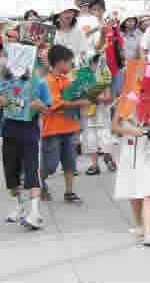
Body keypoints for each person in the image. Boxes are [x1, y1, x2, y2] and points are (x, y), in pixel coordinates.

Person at [1, 70, 51, 229]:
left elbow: (48, 110)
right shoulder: (5, 80)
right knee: (10, 172)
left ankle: (35, 213)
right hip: (9, 132)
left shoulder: (39, 82)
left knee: (32, 171)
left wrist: (40, 106)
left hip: (30, 133)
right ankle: (19, 207)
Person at [40, 45, 91, 203]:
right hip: (52, 130)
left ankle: (69, 192)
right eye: (69, 62)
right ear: (60, 62)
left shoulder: (67, 80)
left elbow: (73, 98)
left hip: (70, 127)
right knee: (50, 165)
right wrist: (80, 102)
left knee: (70, 162)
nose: (71, 65)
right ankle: (40, 182)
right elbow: (56, 104)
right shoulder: (47, 81)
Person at [112, 86, 150, 247]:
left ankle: (148, 232)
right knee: (133, 189)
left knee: (149, 190)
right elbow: (114, 127)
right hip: (130, 148)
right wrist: (131, 130)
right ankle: (139, 225)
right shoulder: (125, 98)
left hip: (148, 149)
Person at [82, 55, 117, 175]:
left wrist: (96, 97)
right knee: (90, 139)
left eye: (98, 63)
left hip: (102, 115)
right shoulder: (84, 78)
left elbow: (108, 98)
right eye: (94, 63)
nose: (95, 66)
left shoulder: (104, 78)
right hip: (89, 115)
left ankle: (108, 157)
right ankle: (95, 165)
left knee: (105, 138)